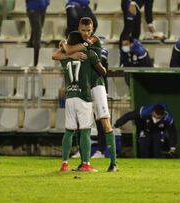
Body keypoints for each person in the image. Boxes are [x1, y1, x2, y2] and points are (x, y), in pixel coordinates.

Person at [53, 17, 118, 172]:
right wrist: (69, 52)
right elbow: (59, 55)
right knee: (80, 126)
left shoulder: (95, 42)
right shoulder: (77, 42)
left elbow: (66, 52)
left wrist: (66, 48)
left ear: (93, 29)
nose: (86, 33)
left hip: (97, 85)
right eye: (83, 30)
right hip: (83, 88)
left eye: (89, 30)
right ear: (78, 29)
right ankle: (84, 163)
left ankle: (113, 163)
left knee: (105, 122)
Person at [57, 31, 106, 172]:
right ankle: (86, 164)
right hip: (84, 97)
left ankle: (64, 164)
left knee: (68, 131)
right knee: (85, 131)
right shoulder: (88, 55)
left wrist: (66, 49)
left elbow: (56, 55)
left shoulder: (65, 57)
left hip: (70, 96)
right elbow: (102, 71)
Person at [26, 0, 49, 66]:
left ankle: (29, 57)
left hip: (42, 9)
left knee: (35, 34)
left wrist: (46, 3)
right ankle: (36, 63)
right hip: (33, 8)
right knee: (37, 34)